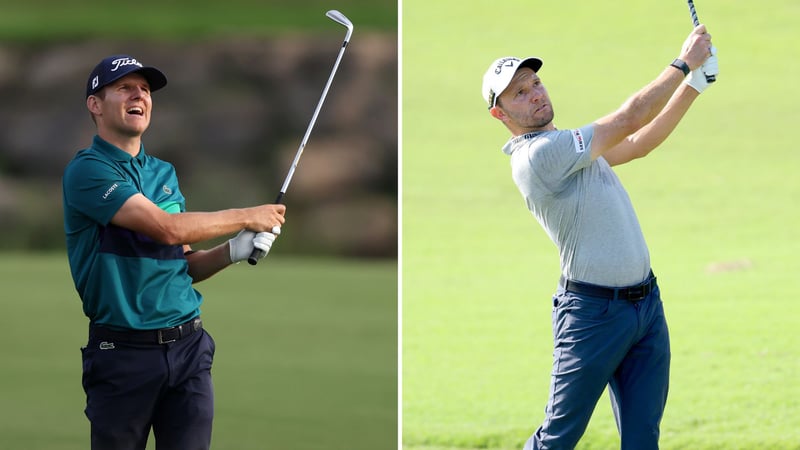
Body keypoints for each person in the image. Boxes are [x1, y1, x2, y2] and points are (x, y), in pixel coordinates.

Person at [482, 24, 717, 450]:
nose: (535, 93)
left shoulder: (565, 144)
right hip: (592, 316)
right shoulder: (539, 157)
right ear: (500, 115)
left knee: (643, 439)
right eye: (519, 93)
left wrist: (694, 85)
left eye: (535, 82)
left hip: (645, 307)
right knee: (558, 438)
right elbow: (630, 117)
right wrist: (684, 63)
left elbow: (639, 142)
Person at [62, 54, 286, 450]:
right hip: (123, 355)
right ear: (95, 104)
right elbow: (165, 229)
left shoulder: (162, 173)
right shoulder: (87, 171)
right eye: (125, 87)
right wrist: (246, 216)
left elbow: (182, 263)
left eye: (145, 90)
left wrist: (232, 251)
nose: (140, 95)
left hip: (189, 349)